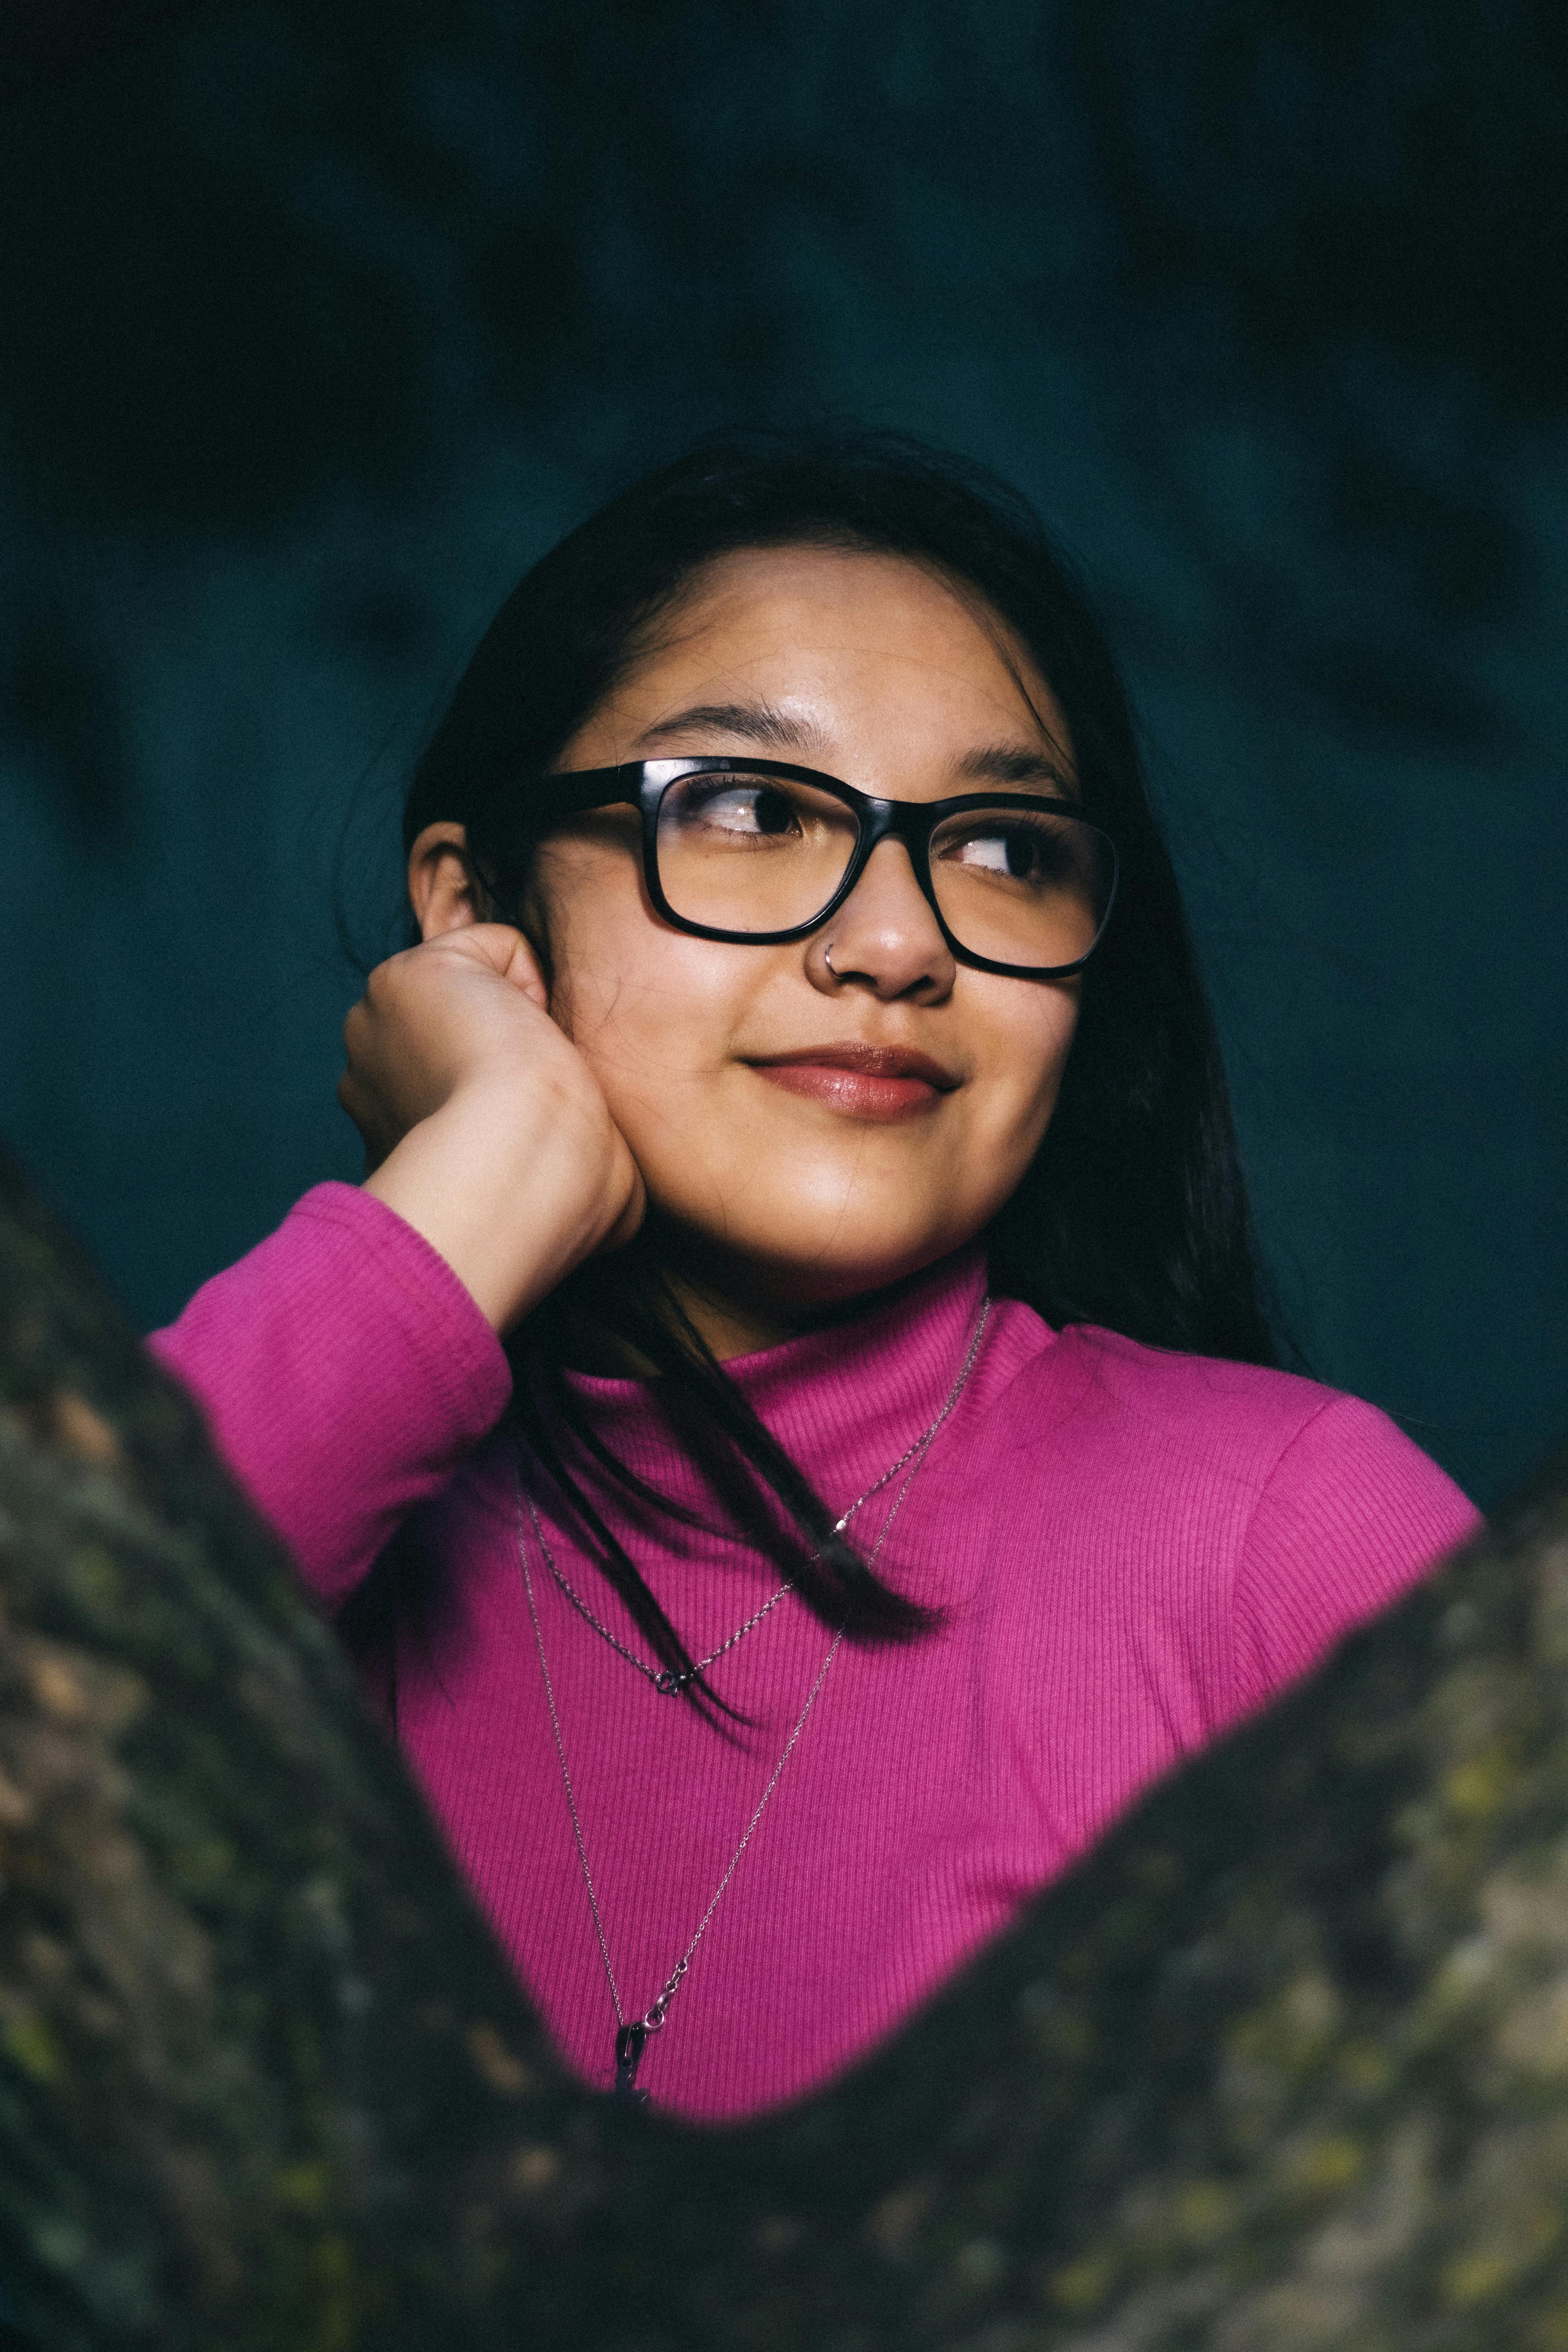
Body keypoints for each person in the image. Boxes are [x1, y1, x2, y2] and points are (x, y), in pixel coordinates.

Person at [151, 432, 1479, 2121]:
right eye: (750, 811)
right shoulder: (304, 1522)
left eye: (1004, 849)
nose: (898, 943)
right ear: (473, 908)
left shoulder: (1278, 1542)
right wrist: (469, 1190)